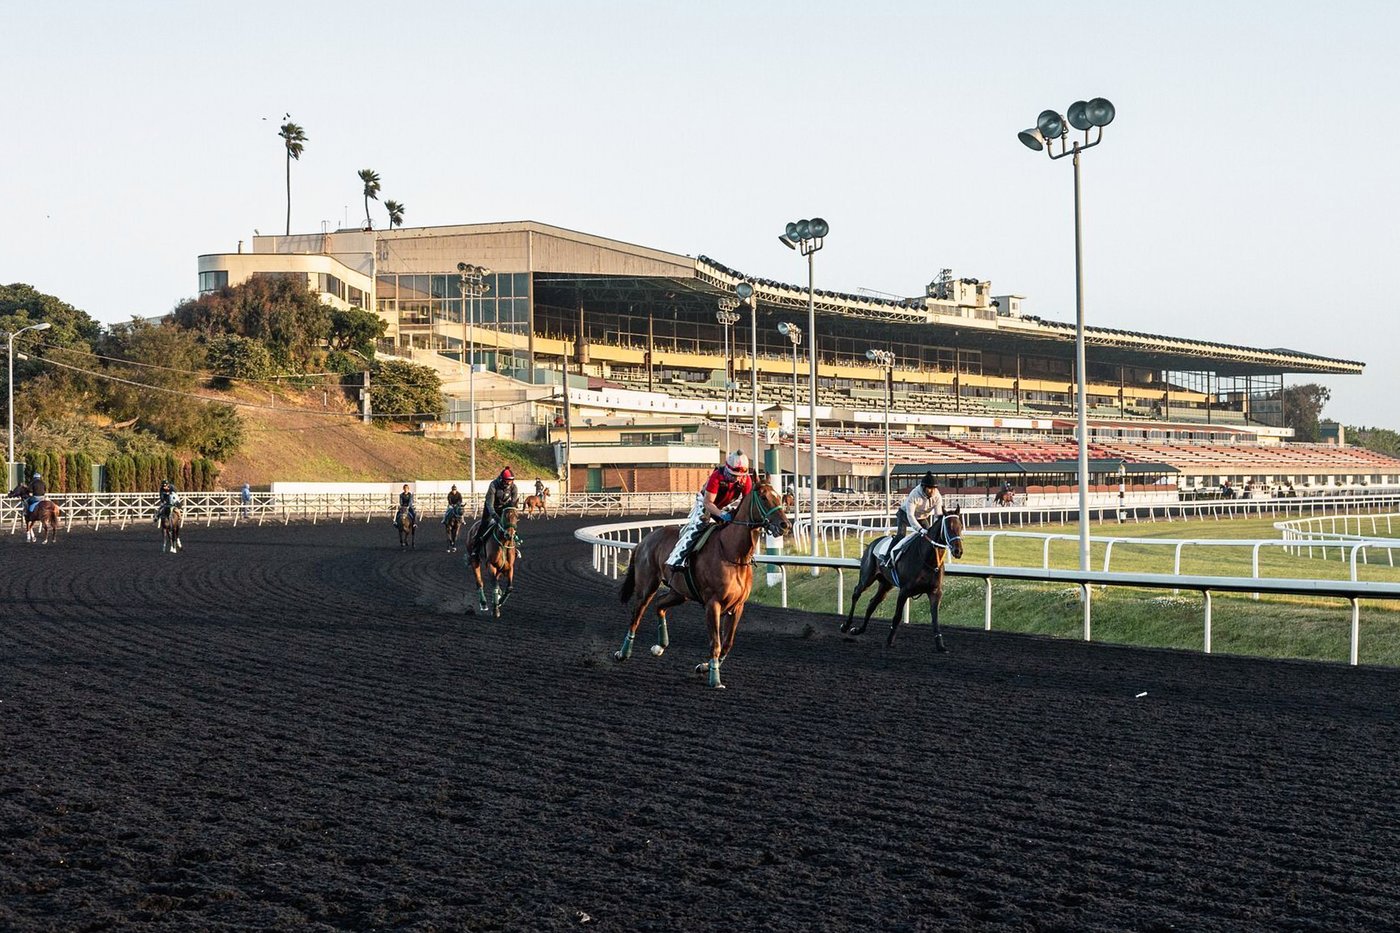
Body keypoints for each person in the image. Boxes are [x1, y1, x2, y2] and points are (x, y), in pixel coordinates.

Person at [666, 450, 753, 572]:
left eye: (739, 476)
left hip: (723, 505)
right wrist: (722, 515)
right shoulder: (717, 476)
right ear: (727, 469)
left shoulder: (746, 480)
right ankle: (676, 560)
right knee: (699, 526)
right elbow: (708, 503)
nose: (736, 479)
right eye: (733, 475)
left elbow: (746, 502)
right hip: (705, 502)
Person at [887, 471, 943, 565]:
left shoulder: (937, 496)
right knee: (901, 535)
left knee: (930, 537)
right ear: (924, 487)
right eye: (930, 488)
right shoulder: (914, 494)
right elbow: (910, 516)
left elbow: (938, 515)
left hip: (921, 517)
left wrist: (935, 529)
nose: (932, 491)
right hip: (905, 514)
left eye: (934, 488)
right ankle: (887, 557)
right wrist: (920, 529)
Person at [471, 467, 519, 559]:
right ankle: (475, 549)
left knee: (511, 524)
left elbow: (513, 504)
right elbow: (490, 504)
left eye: (511, 480)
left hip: (504, 509)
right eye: (508, 480)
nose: (510, 483)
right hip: (490, 509)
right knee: (484, 525)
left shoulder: (513, 487)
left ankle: (514, 548)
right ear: (502, 479)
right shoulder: (493, 485)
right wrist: (496, 517)